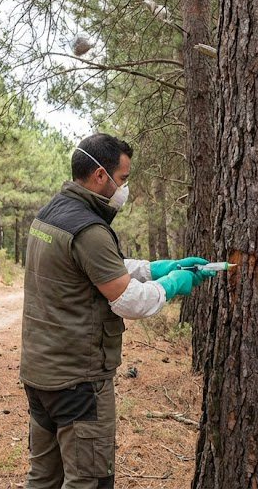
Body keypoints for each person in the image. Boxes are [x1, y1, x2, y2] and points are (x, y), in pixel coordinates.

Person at [20, 133, 214, 489]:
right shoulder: (89, 229)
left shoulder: (52, 214)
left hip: (40, 374)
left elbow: (93, 266)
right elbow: (128, 300)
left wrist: (155, 268)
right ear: (99, 176)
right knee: (89, 481)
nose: (123, 188)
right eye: (122, 179)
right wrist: (171, 285)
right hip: (77, 382)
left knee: (43, 479)